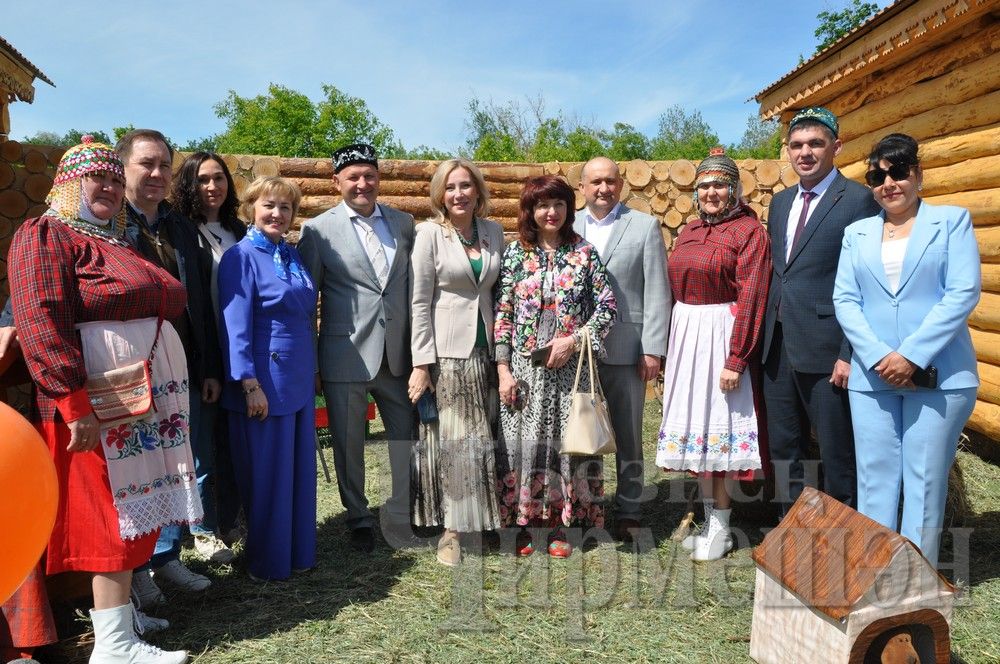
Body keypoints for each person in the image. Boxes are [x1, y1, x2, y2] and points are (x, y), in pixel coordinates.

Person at [8, 138, 195, 663]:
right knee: (111, 513)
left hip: (141, 397)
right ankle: (114, 648)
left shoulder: (112, 240)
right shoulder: (46, 234)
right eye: (98, 178)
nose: (111, 187)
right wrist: (75, 406)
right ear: (70, 184)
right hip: (95, 402)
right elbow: (41, 321)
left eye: (115, 179)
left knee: (137, 503)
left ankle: (122, 618)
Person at [833, 134, 980, 567]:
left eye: (898, 172)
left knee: (924, 482)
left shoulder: (952, 222)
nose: (888, 183)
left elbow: (962, 292)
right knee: (875, 481)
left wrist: (911, 355)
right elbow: (845, 299)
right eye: (877, 175)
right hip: (872, 377)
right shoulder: (856, 233)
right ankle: (875, 577)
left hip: (940, 377)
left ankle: (916, 584)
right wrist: (880, 356)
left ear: (918, 174)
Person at [114, 129, 218, 607]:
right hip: (127, 366)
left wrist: (209, 367)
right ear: (123, 167)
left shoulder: (180, 227)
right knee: (136, 465)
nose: (156, 175)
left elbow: (200, 304)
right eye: (145, 165)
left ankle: (166, 556)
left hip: (182, 363)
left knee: (177, 462)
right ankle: (134, 569)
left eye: (163, 166)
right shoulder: (107, 223)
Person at [760, 107, 881, 514]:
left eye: (815, 143)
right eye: (796, 145)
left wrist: (849, 354)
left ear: (837, 146)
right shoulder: (780, 203)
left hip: (828, 349)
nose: (805, 152)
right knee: (784, 447)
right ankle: (789, 540)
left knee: (836, 451)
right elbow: (784, 274)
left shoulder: (860, 201)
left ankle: (844, 539)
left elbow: (868, 285)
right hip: (776, 347)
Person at [297, 143, 416, 554]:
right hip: (343, 352)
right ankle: (358, 516)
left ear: (379, 178)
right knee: (349, 442)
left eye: (369, 175)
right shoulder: (318, 230)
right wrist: (311, 360)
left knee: (405, 435)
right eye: (353, 177)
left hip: (399, 353)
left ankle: (401, 510)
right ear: (336, 182)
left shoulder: (404, 224)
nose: (362, 184)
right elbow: (304, 298)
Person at [654, 149, 771, 561]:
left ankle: (722, 529)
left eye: (719, 184)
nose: (710, 192)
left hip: (721, 337)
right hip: (688, 339)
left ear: (735, 189)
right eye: (703, 185)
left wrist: (736, 357)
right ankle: (707, 523)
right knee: (698, 439)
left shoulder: (748, 233)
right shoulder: (687, 231)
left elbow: (753, 296)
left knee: (717, 438)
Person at [495, 175, 616, 558]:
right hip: (524, 370)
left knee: (570, 447)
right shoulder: (516, 255)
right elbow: (504, 313)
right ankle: (525, 525)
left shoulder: (584, 254)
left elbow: (607, 307)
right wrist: (503, 369)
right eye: (543, 205)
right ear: (530, 210)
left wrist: (575, 339)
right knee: (523, 447)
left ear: (569, 208)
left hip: (570, 371)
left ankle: (566, 525)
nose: (551, 212)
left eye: (559, 204)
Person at [218, 176, 318, 580]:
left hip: (296, 380)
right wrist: (249, 383)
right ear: (250, 209)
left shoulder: (290, 255)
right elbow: (234, 325)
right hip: (263, 384)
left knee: (298, 474)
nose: (278, 214)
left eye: (286, 208)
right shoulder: (240, 257)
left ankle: (298, 553)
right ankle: (268, 562)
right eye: (269, 206)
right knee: (269, 476)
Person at [407, 159, 505, 566]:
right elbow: (419, 300)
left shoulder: (494, 232)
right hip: (448, 354)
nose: (459, 194)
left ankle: (481, 520)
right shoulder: (429, 234)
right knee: (455, 441)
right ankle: (451, 528)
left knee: (483, 436)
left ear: (478, 192)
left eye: (466, 186)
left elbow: (498, 293)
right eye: (451, 188)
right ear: (440, 195)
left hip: (489, 350)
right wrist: (421, 362)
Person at [573, 156, 669, 541]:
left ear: (621, 185)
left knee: (629, 433)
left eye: (610, 181)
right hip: (578, 352)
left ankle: (628, 509)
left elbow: (658, 291)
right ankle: (585, 507)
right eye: (595, 182)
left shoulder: (644, 226)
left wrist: (653, 349)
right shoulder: (568, 225)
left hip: (628, 349)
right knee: (581, 432)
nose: (603, 189)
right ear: (582, 187)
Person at [171, 152, 247, 559]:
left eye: (219, 178)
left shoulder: (239, 230)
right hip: (202, 351)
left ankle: (233, 518)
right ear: (189, 184)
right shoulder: (181, 232)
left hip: (239, 352)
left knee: (233, 443)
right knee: (199, 446)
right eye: (202, 179)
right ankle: (201, 530)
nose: (212, 187)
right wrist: (205, 364)